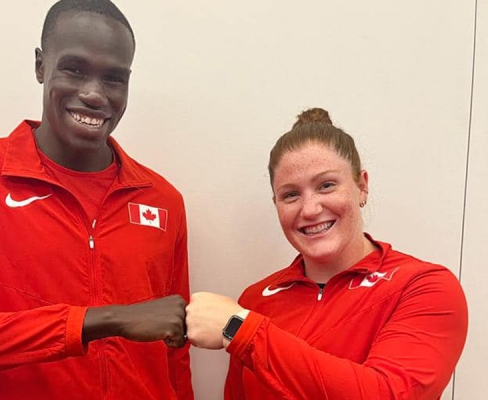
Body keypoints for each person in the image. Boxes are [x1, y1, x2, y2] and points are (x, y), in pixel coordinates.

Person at [0, 1, 193, 399]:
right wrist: (101, 322)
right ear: (40, 65)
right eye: (73, 69)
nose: (93, 94)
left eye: (113, 78)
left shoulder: (163, 200)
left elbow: (175, 353)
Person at [185, 108, 468, 399]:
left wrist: (242, 331)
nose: (310, 209)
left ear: (362, 186)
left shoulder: (423, 287)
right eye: (291, 194)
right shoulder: (255, 300)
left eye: (326, 185)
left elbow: (387, 394)